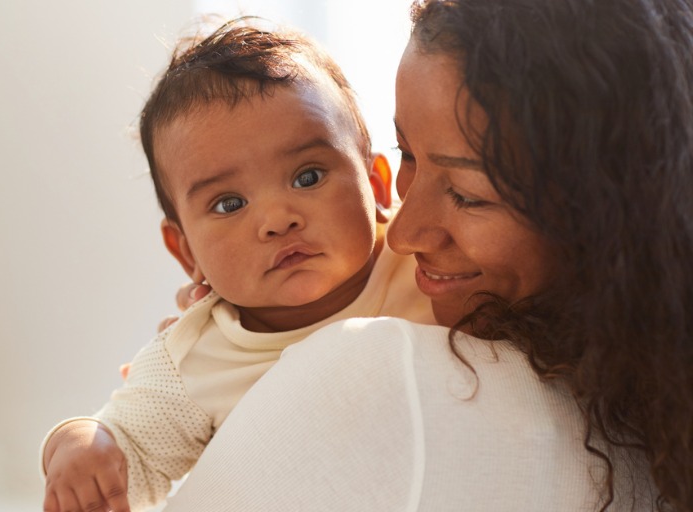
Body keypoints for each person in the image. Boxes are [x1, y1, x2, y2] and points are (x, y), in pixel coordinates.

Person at [160, 0, 693, 510]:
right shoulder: (653, 409)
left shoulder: (371, 370)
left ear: (611, 216)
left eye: (468, 193)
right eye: (407, 154)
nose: (400, 233)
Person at [40, 18, 434, 512]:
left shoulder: (425, 258)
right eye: (229, 204)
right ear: (186, 252)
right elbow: (132, 454)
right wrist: (77, 443)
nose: (277, 219)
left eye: (308, 176)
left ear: (376, 186)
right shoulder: (195, 354)